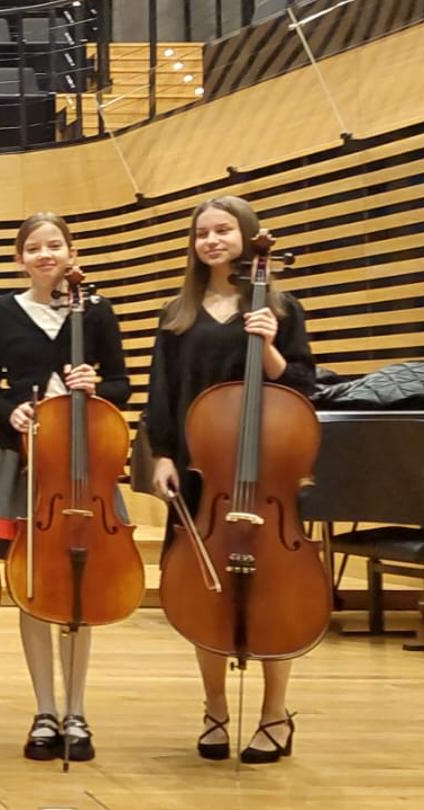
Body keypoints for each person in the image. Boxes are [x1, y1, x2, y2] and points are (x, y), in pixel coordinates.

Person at [140, 195, 316, 765]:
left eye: (224, 230)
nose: (212, 240)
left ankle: (274, 714)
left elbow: (303, 389)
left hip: (265, 472)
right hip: (201, 475)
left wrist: (266, 346)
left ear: (247, 235)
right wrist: (160, 456)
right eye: (203, 233)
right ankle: (215, 708)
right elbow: (160, 396)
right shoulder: (178, 314)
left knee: (275, 591)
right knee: (204, 590)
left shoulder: (281, 307)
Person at [0, 213, 131, 762]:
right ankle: (44, 710)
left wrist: (97, 385)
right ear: (20, 257)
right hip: (24, 464)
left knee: (80, 590)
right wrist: (10, 411)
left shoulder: (97, 308)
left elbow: (122, 384)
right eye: (33, 247)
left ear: (70, 251)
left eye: (54, 245)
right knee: (34, 585)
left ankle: (78, 710)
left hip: (85, 467)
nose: (44, 254)